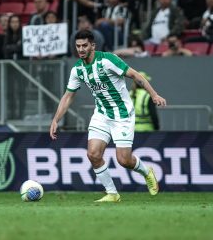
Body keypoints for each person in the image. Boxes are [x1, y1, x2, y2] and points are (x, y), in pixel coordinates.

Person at [49, 30, 166, 202]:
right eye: (78, 46)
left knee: (123, 160)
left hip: (122, 114)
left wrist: (154, 95)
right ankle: (112, 193)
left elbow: (135, 75)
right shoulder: (78, 70)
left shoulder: (107, 60)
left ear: (93, 46)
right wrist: (55, 119)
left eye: (84, 45)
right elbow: (68, 96)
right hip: (102, 114)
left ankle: (147, 172)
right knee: (93, 154)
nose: (81, 49)